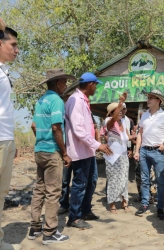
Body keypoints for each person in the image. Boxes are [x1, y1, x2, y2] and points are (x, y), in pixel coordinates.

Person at [29, 69, 75, 245]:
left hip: (39, 150)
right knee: (53, 192)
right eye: (64, 82)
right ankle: (50, 232)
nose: (66, 86)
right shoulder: (56, 100)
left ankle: (35, 227)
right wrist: (64, 153)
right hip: (51, 152)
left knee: (39, 189)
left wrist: (41, 140)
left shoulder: (41, 101)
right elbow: (57, 128)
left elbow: (34, 125)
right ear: (57, 83)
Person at [65, 72, 112, 229]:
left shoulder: (83, 101)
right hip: (79, 151)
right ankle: (74, 217)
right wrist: (98, 145)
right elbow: (78, 130)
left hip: (88, 150)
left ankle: (85, 211)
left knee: (91, 181)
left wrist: (94, 145)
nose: (96, 88)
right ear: (90, 84)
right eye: (96, 85)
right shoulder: (75, 101)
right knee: (80, 184)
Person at [134, 90, 164, 219]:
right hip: (144, 150)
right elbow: (140, 133)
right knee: (145, 180)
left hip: (158, 151)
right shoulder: (144, 115)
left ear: (158, 101)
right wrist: (137, 150)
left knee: (160, 181)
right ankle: (145, 204)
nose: (148, 99)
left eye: (151, 98)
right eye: (148, 97)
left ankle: (160, 207)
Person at [0, 26, 22, 250]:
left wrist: (12, 139)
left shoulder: (4, 71)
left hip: (5, 139)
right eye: (12, 45)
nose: (17, 50)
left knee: (2, 194)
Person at [58, 115, 99, 215]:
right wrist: (63, 152)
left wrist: (97, 144)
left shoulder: (87, 112)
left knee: (91, 180)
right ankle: (64, 204)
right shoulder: (64, 114)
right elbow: (59, 131)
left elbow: (94, 128)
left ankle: (84, 207)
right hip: (68, 151)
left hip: (84, 152)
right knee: (65, 180)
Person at [105, 93, 134, 213]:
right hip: (112, 155)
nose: (121, 112)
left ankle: (124, 202)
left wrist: (138, 135)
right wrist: (121, 102)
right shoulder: (109, 121)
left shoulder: (123, 124)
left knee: (124, 179)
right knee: (113, 179)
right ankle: (112, 204)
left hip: (123, 156)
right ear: (112, 113)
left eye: (122, 110)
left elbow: (128, 138)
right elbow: (112, 122)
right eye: (117, 110)